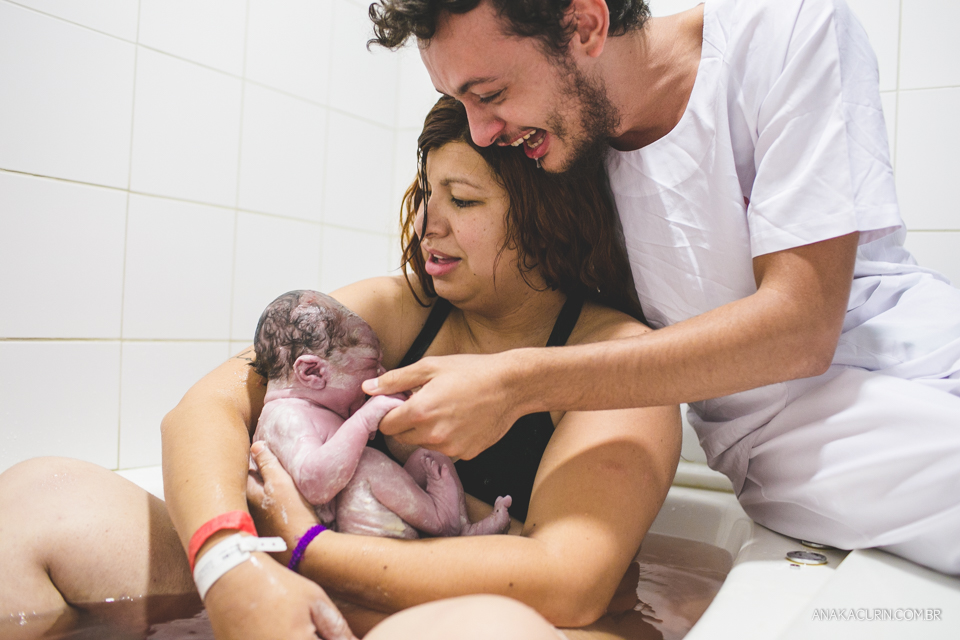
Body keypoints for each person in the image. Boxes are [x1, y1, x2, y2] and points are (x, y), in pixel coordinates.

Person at [0, 96, 679, 640]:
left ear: (548, 220)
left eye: (463, 201)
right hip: (300, 595)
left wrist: (309, 548)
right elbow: (204, 409)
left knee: (490, 628)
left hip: (432, 618)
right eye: (428, 194)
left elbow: (566, 580)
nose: (426, 226)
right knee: (40, 496)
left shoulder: (618, 363)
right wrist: (232, 568)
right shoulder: (399, 309)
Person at [363, 0, 960, 576]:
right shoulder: (560, 157)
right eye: (461, 101)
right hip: (810, 442)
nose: (482, 131)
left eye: (490, 95)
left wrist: (517, 384)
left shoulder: (787, 31)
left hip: (929, 344)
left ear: (586, 24)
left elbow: (801, 327)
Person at [251, 289, 511, 538]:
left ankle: (461, 528)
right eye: (371, 364)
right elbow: (315, 483)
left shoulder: (318, 409)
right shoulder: (286, 418)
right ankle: (442, 522)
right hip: (345, 537)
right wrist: (363, 422)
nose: (383, 374)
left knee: (428, 457)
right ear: (312, 372)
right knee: (366, 463)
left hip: (373, 526)